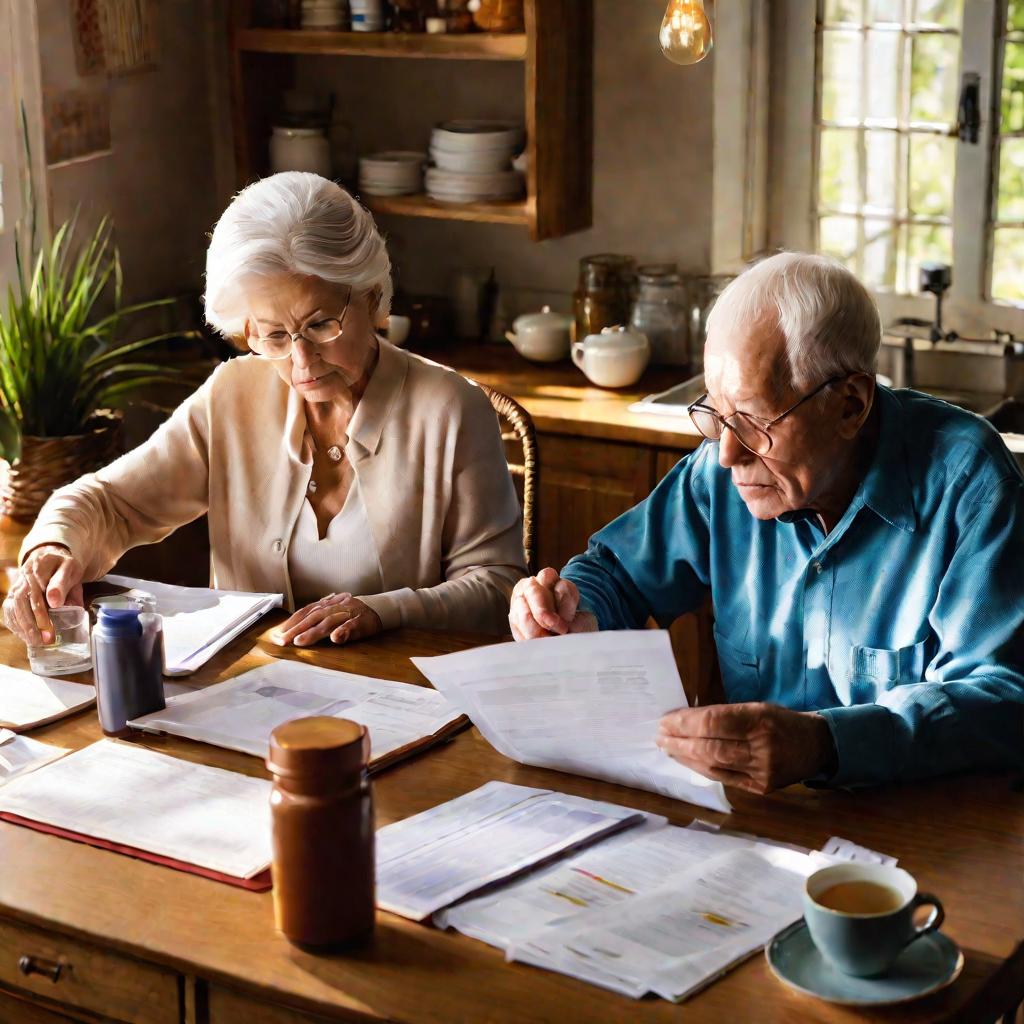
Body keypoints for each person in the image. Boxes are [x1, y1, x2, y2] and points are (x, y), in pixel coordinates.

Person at [510, 252, 1024, 793]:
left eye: (754, 420)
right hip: (756, 816)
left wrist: (826, 743)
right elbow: (614, 575)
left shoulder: (969, 482)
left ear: (850, 404)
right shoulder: (721, 471)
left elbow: (1001, 697)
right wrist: (571, 611)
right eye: (715, 412)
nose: (728, 452)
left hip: (921, 826)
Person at [3, 172, 525, 648]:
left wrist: (382, 611)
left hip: (409, 699)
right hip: (253, 696)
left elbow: (497, 587)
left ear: (371, 297)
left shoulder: (453, 410)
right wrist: (52, 549)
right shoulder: (235, 393)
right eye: (273, 335)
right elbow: (112, 503)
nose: (301, 360)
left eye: (321, 325)